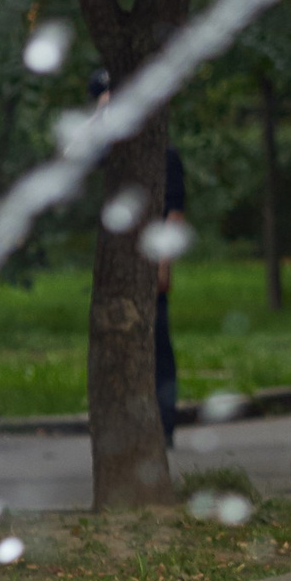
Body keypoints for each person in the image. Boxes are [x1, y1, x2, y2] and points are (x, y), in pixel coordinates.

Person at [90, 70, 187, 447]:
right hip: (116, 263)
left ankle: (163, 424)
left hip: (148, 259)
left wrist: (163, 265)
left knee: (155, 343)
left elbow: (173, 213)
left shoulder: (162, 154)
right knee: (117, 345)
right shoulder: (109, 152)